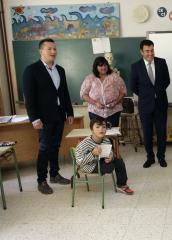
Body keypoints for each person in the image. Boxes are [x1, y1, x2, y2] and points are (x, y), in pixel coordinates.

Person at [23, 38, 74, 194]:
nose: (53, 52)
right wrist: (34, 118)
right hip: (43, 118)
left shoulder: (60, 70)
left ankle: (54, 175)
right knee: (45, 148)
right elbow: (29, 96)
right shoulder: (31, 70)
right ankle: (41, 180)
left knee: (55, 146)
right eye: (49, 49)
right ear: (41, 51)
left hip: (59, 116)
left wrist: (69, 111)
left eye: (54, 49)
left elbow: (64, 93)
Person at [131, 39, 170, 168]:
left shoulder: (161, 62)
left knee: (161, 133)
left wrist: (156, 92)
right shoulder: (135, 66)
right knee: (147, 133)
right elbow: (133, 86)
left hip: (160, 104)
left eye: (152, 50)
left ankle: (161, 157)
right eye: (147, 51)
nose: (150, 53)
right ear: (141, 51)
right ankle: (150, 157)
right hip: (145, 105)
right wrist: (147, 95)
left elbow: (167, 81)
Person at [75, 118, 134, 195]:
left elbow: (110, 152)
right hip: (88, 166)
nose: (101, 129)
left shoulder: (106, 140)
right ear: (91, 130)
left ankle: (122, 185)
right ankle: (75, 175)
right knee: (109, 167)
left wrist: (111, 157)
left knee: (119, 160)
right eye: (97, 127)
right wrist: (92, 154)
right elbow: (79, 162)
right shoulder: (84, 144)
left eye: (103, 127)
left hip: (99, 160)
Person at [80, 56, 127, 127]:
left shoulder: (115, 77)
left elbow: (123, 92)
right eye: (100, 65)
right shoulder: (90, 78)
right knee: (98, 135)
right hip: (95, 112)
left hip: (113, 112)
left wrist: (115, 102)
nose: (103, 67)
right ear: (96, 67)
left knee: (112, 134)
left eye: (105, 65)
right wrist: (95, 103)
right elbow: (83, 95)